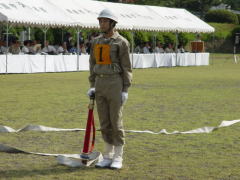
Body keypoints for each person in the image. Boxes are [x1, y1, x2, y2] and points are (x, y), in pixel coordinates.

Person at [87, 8, 132, 169]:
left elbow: (127, 67)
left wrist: (125, 89)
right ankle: (107, 155)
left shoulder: (122, 42)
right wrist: (92, 85)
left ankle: (118, 156)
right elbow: (93, 64)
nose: (101, 23)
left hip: (115, 83)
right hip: (100, 83)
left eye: (104, 21)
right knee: (104, 122)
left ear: (112, 23)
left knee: (116, 122)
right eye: (100, 21)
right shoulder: (96, 41)